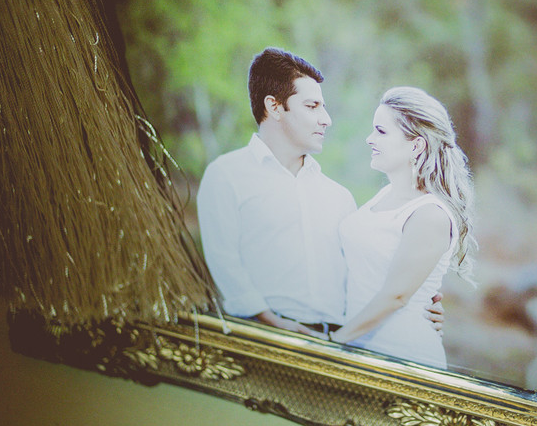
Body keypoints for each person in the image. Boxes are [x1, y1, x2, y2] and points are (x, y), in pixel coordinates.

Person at [196, 49, 442, 337]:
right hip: (260, 339)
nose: (326, 119)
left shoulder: (339, 197)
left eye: (323, 107)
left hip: (336, 344)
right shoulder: (227, 176)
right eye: (312, 106)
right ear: (274, 107)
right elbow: (224, 264)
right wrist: (274, 324)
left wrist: (421, 301)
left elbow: (367, 269)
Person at [327, 87, 476, 369]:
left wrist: (333, 344)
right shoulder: (384, 195)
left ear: (416, 145)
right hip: (357, 347)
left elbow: (396, 295)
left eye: (381, 131)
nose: (370, 139)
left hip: (400, 358)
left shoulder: (430, 214)